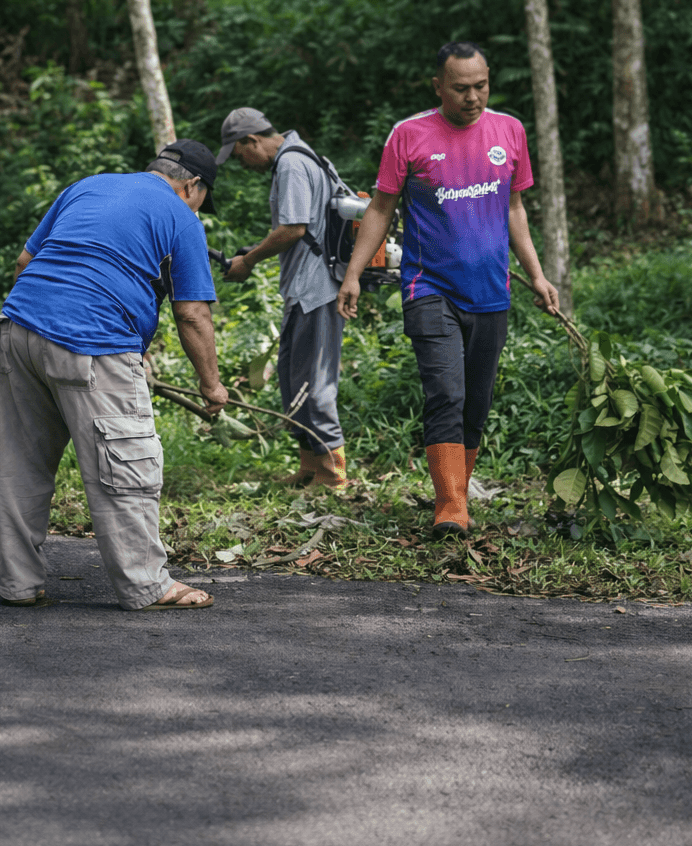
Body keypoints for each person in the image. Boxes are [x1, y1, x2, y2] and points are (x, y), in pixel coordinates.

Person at [0, 139, 228, 610]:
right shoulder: (181, 217)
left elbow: (24, 263)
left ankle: (16, 584)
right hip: (91, 340)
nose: (200, 207)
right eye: (203, 198)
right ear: (192, 186)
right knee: (125, 462)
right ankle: (146, 585)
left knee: (18, 463)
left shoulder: (88, 186)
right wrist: (211, 385)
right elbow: (193, 313)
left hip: (17, 331)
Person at [337, 42, 561, 538]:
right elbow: (380, 208)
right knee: (446, 392)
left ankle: (456, 492)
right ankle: (451, 507)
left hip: (490, 291)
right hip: (428, 287)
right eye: (461, 88)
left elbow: (515, 210)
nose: (473, 97)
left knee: (476, 403)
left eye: (481, 85)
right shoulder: (409, 135)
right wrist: (353, 273)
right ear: (438, 87)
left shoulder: (510, 131)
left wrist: (539, 275)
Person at [216, 107, 349, 489]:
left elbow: (293, 228)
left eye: (240, 154)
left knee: (314, 383)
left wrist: (249, 261)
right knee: (294, 381)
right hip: (304, 289)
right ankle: (309, 466)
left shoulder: (291, 163)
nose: (243, 163)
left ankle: (333, 476)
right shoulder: (301, 155)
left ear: (251, 140)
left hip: (316, 289)